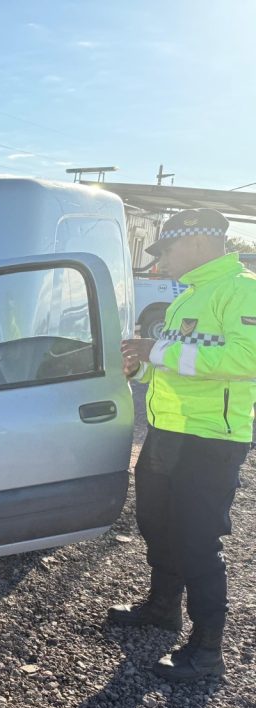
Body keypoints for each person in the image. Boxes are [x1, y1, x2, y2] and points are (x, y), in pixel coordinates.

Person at [108, 208, 256, 681]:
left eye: (165, 250)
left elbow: (244, 358)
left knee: (197, 540)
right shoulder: (186, 297)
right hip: (166, 433)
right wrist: (142, 365)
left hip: (211, 440)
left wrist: (158, 351)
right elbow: (176, 362)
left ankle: (207, 650)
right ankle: (162, 607)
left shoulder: (243, 289)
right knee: (158, 525)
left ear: (196, 244)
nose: (160, 262)